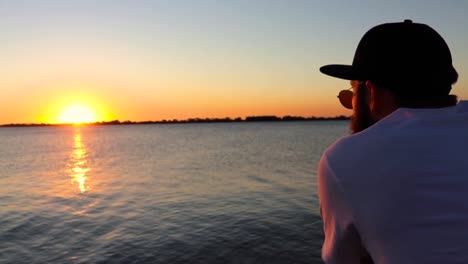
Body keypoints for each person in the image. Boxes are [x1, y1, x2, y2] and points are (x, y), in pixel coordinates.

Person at [317, 19, 468, 263]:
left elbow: (342, 260)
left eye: (352, 95)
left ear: (372, 93)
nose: (352, 106)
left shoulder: (343, 160)